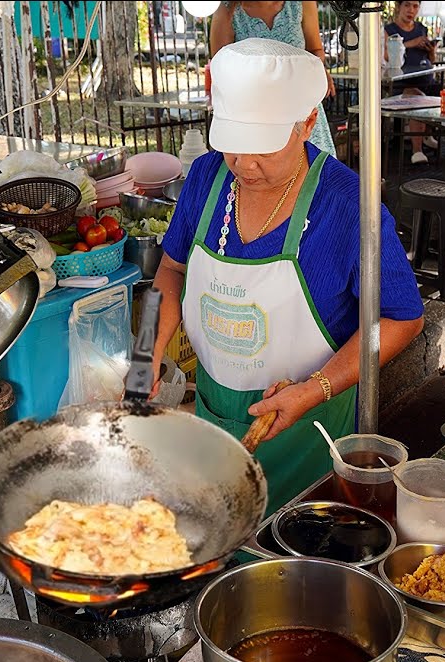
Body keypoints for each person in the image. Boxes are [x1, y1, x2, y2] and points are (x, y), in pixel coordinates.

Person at [151, 38, 425, 513]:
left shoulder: (348, 206)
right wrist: (144, 350)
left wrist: (316, 387)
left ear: (307, 123)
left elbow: (403, 318)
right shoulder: (205, 178)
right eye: (232, 143)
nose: (244, 163)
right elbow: (171, 268)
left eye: (262, 146)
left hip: (309, 435)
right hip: (214, 422)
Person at [210, 2, 337, 156]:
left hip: (301, 108)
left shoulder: (301, 3)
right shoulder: (227, 11)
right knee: (261, 169)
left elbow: (315, 49)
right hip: (255, 117)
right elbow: (223, 70)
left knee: (314, 170)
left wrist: (317, 69)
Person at [386, 0, 440, 164]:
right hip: (402, 82)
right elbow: (387, 56)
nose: (411, 10)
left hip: (425, 78)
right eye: (407, 5)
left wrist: (431, 50)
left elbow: (432, 60)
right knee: (418, 98)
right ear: (399, 7)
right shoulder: (390, 30)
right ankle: (417, 151)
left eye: (415, 6)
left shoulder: (421, 29)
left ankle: (426, 134)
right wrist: (411, 43)